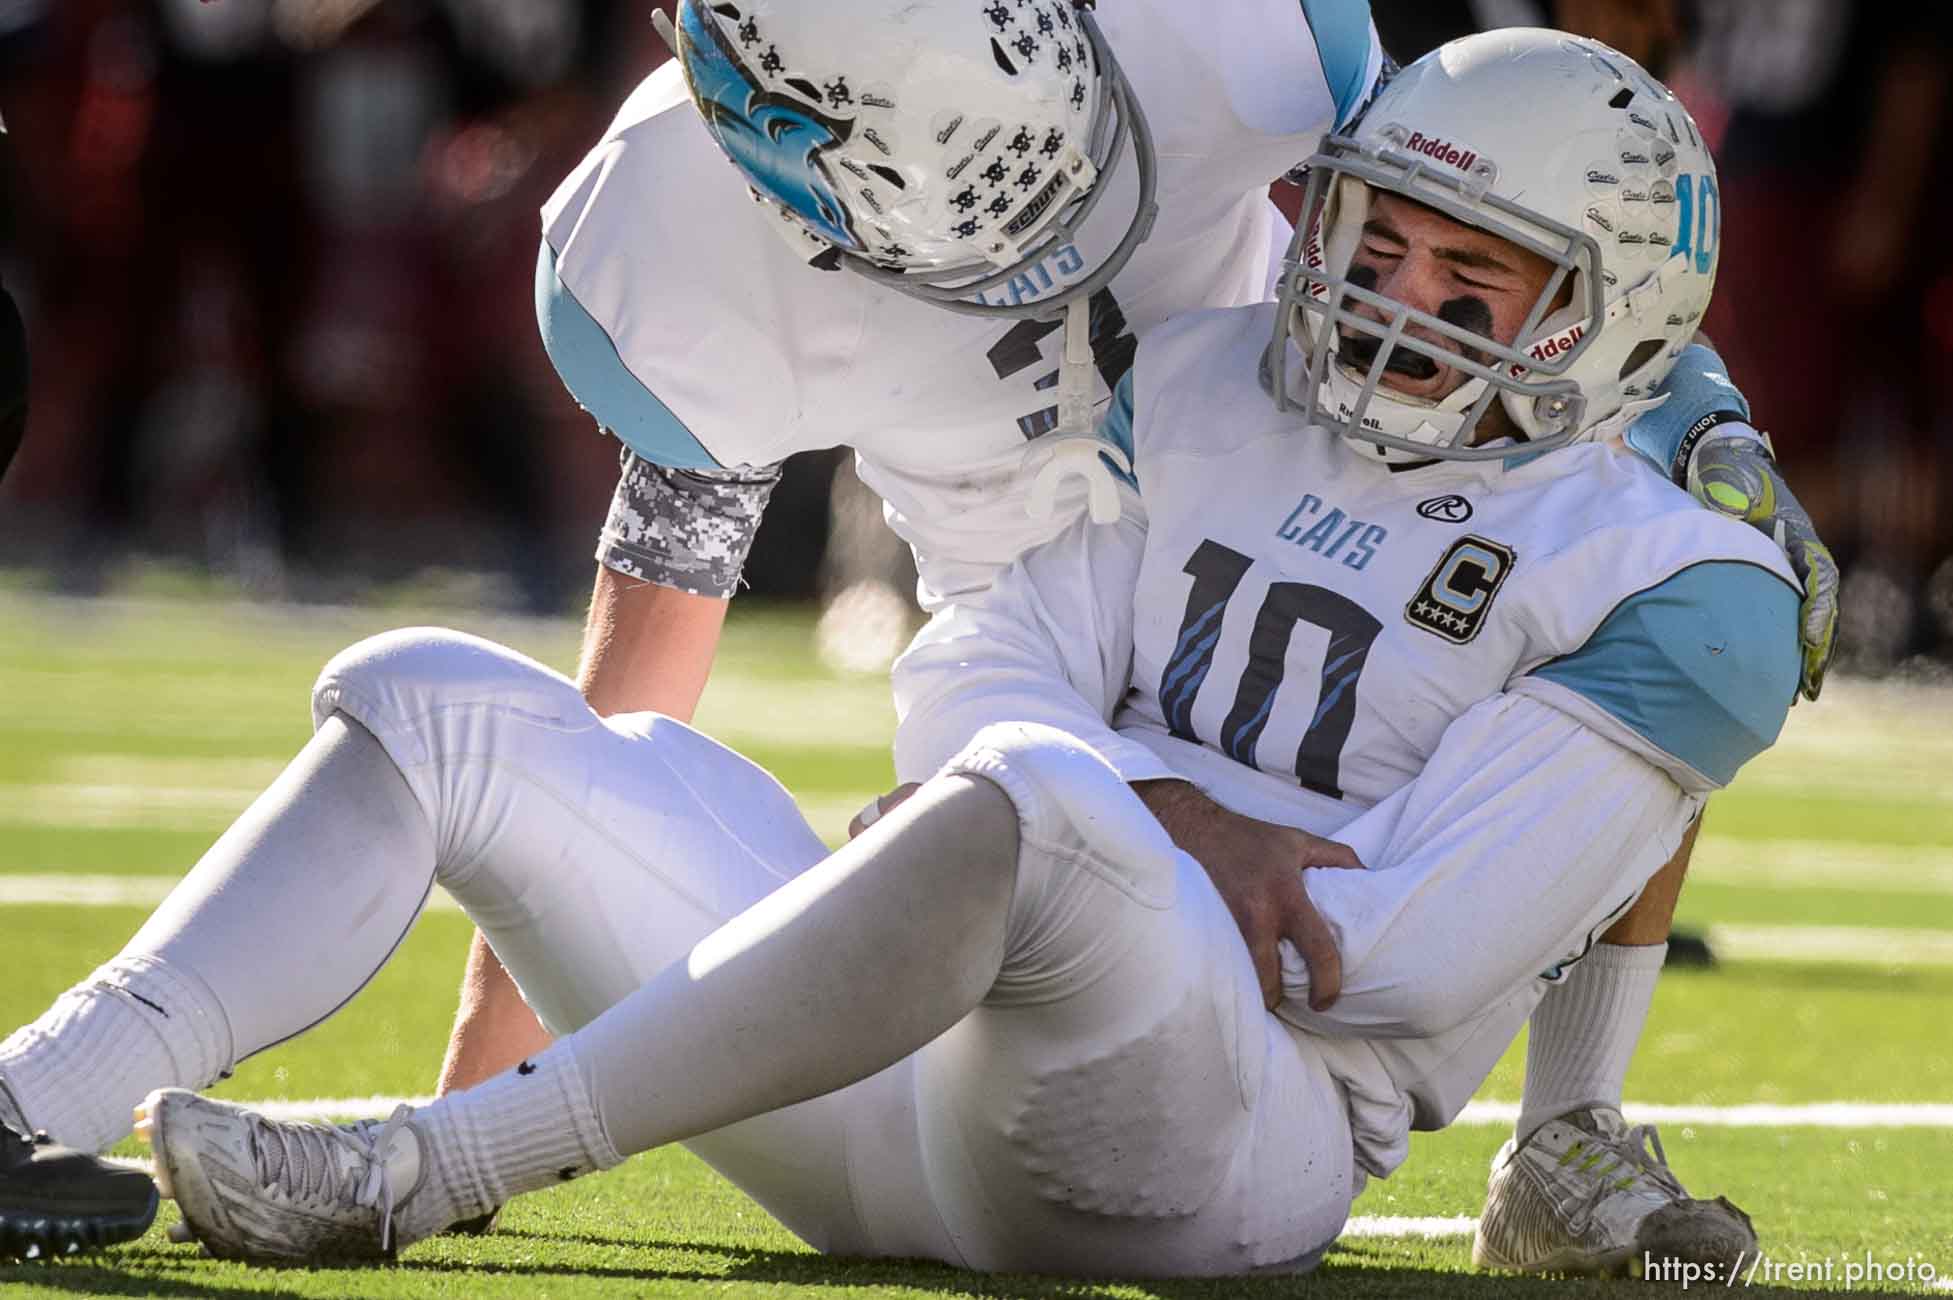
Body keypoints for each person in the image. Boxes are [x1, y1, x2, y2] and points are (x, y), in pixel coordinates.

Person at [18, 29, 1784, 1275]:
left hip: (1214, 1151)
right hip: (897, 1091)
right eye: (1371, 242)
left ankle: (417, 1168)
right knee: (431, 698)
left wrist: (1101, 814)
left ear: (1605, 303)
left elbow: (1396, 959)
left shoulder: (1665, 571)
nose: (1386, 298)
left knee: (1036, 802)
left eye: (1462, 274)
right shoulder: (1201, 384)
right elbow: (968, 667)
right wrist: (1169, 805)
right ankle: (37, 1099)